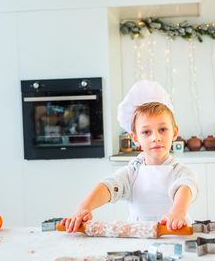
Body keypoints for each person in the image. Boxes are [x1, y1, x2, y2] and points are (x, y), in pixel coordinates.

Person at [61, 80, 198, 233]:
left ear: (174, 132)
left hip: (174, 234)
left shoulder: (180, 171)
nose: (155, 137)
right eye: (146, 132)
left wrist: (177, 212)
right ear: (136, 138)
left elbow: (186, 186)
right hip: (138, 239)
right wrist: (84, 207)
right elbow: (109, 186)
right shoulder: (133, 171)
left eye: (163, 129)